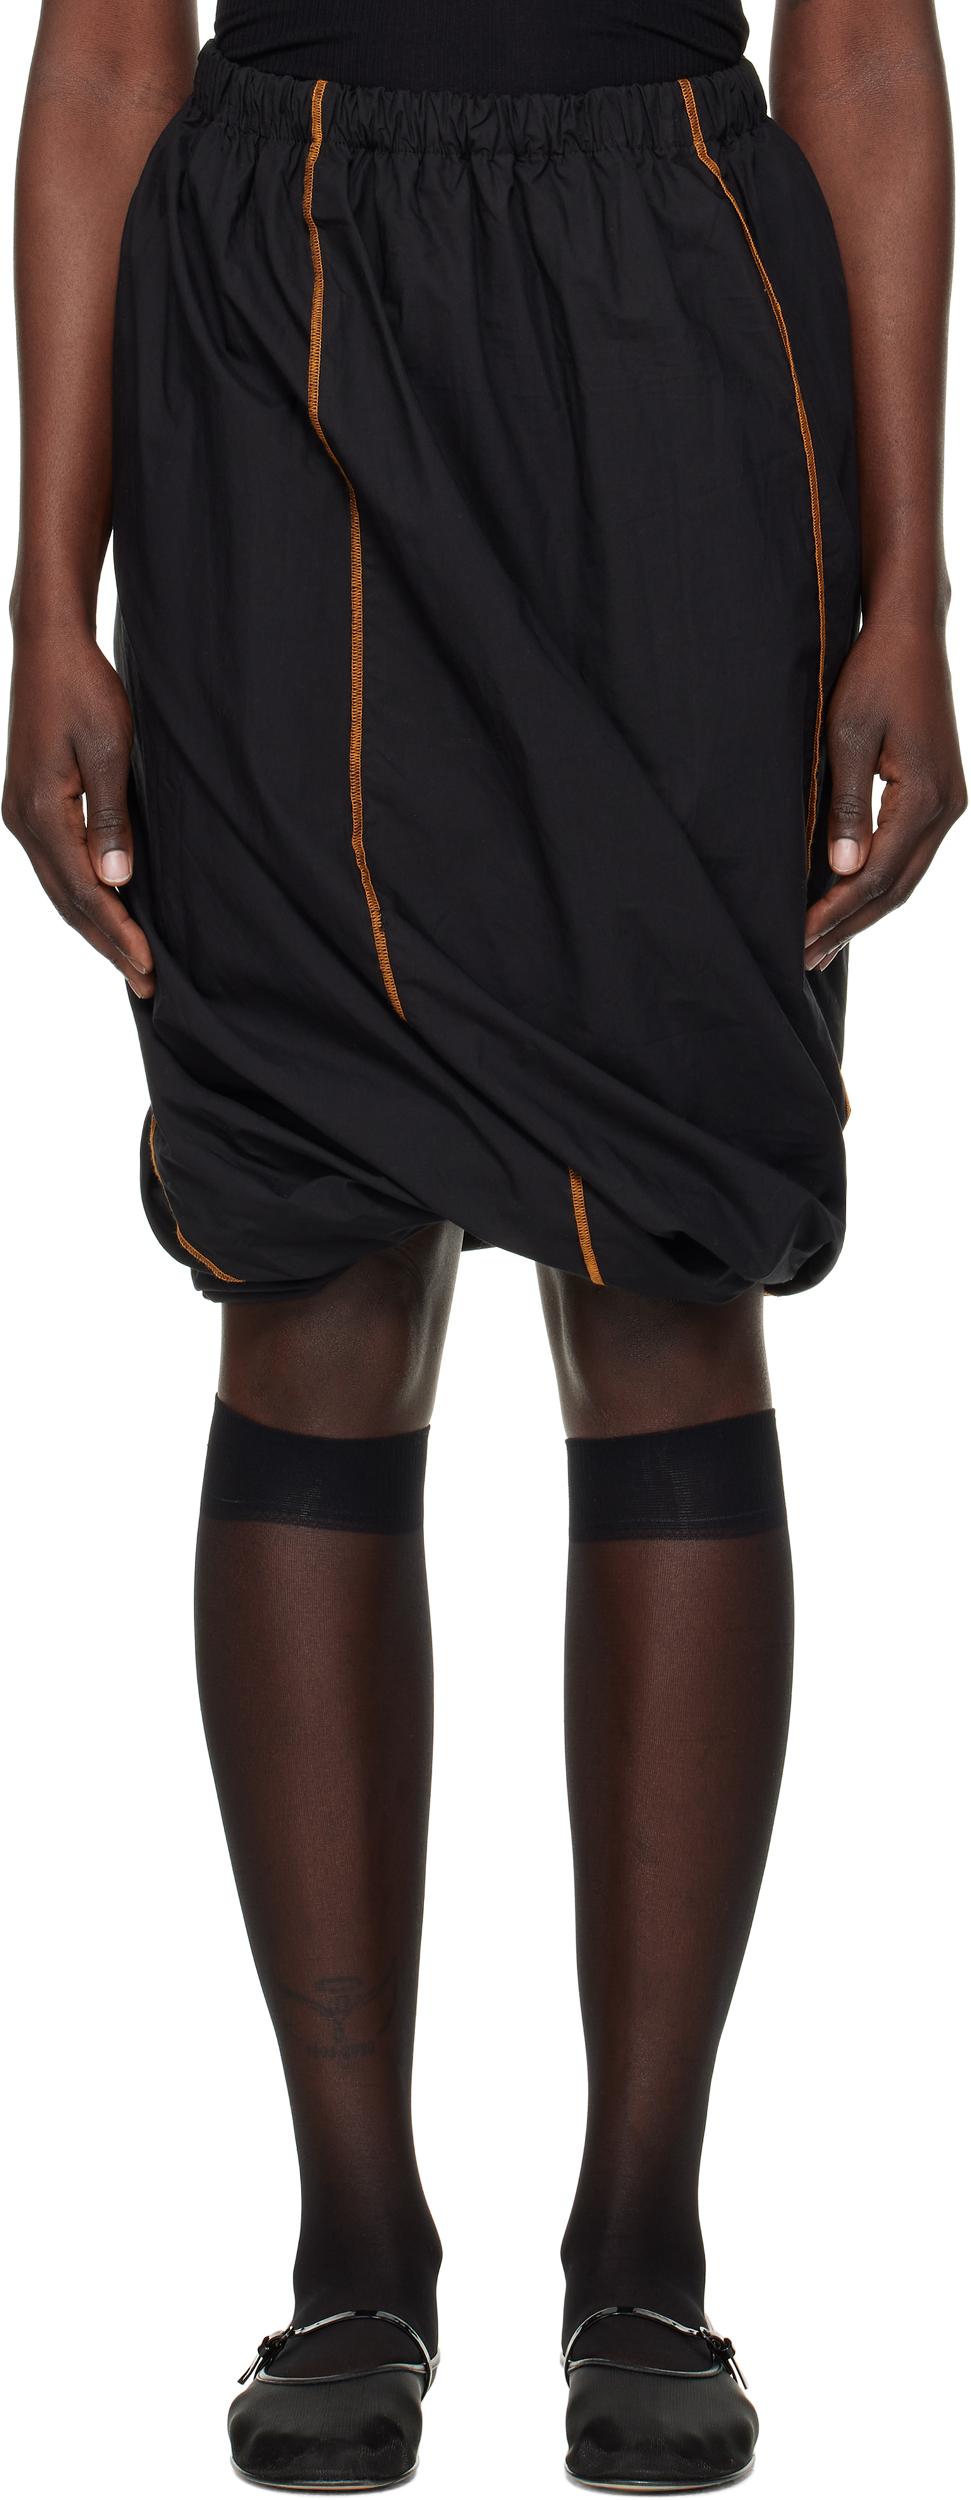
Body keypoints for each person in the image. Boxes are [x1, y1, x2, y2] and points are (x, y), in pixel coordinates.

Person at [4, 1, 964, 2489]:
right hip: (276, 319)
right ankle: (352, 2232)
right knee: (309, 1275)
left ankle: (645, 2228)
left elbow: (866, 52)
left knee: (670, 1267)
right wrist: (47, 595)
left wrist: (910, 583)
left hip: (672, 321)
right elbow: (103, 55)